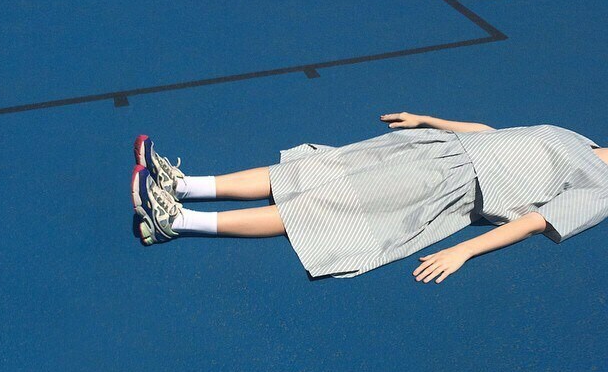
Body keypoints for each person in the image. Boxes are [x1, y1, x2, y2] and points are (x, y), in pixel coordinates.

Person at [130, 113, 608, 282]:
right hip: (435, 147)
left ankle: (179, 221)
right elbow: (494, 133)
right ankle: (183, 185)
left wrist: (462, 251)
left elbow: (536, 222)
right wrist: (429, 120)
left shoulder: (601, 190)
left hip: (448, 187)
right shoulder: (577, 139)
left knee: (320, 206)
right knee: (311, 170)